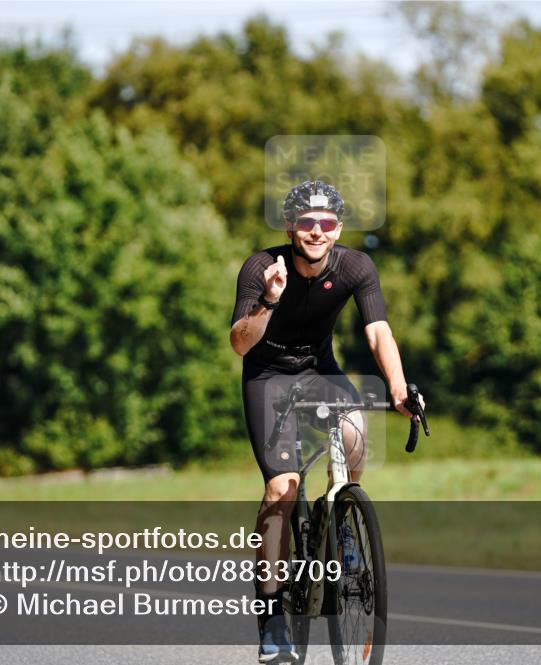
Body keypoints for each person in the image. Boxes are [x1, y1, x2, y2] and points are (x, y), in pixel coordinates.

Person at [230, 180, 423, 663]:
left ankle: (342, 526)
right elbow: (239, 343)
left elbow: (378, 332)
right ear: (291, 226)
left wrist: (398, 388)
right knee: (282, 489)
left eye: (328, 223)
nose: (317, 232)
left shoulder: (356, 266)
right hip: (267, 377)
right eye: (307, 222)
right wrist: (270, 300)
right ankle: (273, 617)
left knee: (357, 432)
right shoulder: (261, 267)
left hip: (319, 370)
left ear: (338, 229)